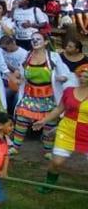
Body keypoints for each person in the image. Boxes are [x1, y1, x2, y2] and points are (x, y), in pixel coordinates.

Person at [12, 32, 70, 156]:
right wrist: (16, 76)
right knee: (21, 119)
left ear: (45, 42)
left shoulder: (53, 57)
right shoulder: (27, 56)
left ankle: (48, 151)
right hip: (29, 94)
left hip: (48, 95)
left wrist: (62, 78)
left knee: (49, 123)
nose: (35, 41)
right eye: (33, 39)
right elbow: (20, 71)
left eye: (38, 39)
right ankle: (15, 147)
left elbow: (64, 72)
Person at [34, 64, 88, 192]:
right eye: (81, 75)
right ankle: (49, 184)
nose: (83, 78)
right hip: (67, 130)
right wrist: (43, 121)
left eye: (86, 76)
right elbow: (59, 109)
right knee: (56, 162)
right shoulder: (68, 91)